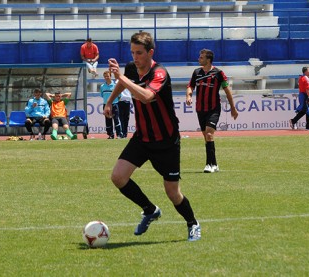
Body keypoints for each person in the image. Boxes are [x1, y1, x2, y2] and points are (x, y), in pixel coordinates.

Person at [103, 31, 201, 242]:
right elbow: (124, 83)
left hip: (166, 141)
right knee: (118, 177)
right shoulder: (131, 68)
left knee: (173, 193)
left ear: (150, 52)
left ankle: (193, 223)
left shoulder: (160, 74)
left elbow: (147, 97)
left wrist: (120, 77)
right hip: (142, 137)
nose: (135, 57)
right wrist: (110, 100)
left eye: (139, 53)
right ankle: (149, 209)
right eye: (132, 52)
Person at [186, 49, 238, 173]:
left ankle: (208, 164)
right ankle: (214, 164)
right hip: (200, 109)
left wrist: (233, 107)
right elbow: (190, 86)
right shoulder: (197, 72)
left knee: (209, 134)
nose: (199, 59)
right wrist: (188, 95)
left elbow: (227, 90)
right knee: (206, 137)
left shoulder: (218, 73)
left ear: (208, 59)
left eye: (201, 57)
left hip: (213, 108)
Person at [100, 70, 122, 139]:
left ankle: (119, 134)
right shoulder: (102, 86)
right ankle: (110, 135)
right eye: (105, 76)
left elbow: (119, 95)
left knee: (116, 119)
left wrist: (114, 101)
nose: (106, 77)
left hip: (114, 104)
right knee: (108, 120)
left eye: (108, 76)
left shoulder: (115, 85)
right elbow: (102, 95)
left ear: (110, 76)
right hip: (106, 105)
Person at [290, 66, 309, 130]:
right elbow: (307, 89)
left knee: (304, 110)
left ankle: (293, 121)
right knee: (308, 110)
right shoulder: (305, 78)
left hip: (303, 95)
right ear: (306, 71)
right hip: (306, 96)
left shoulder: (301, 78)